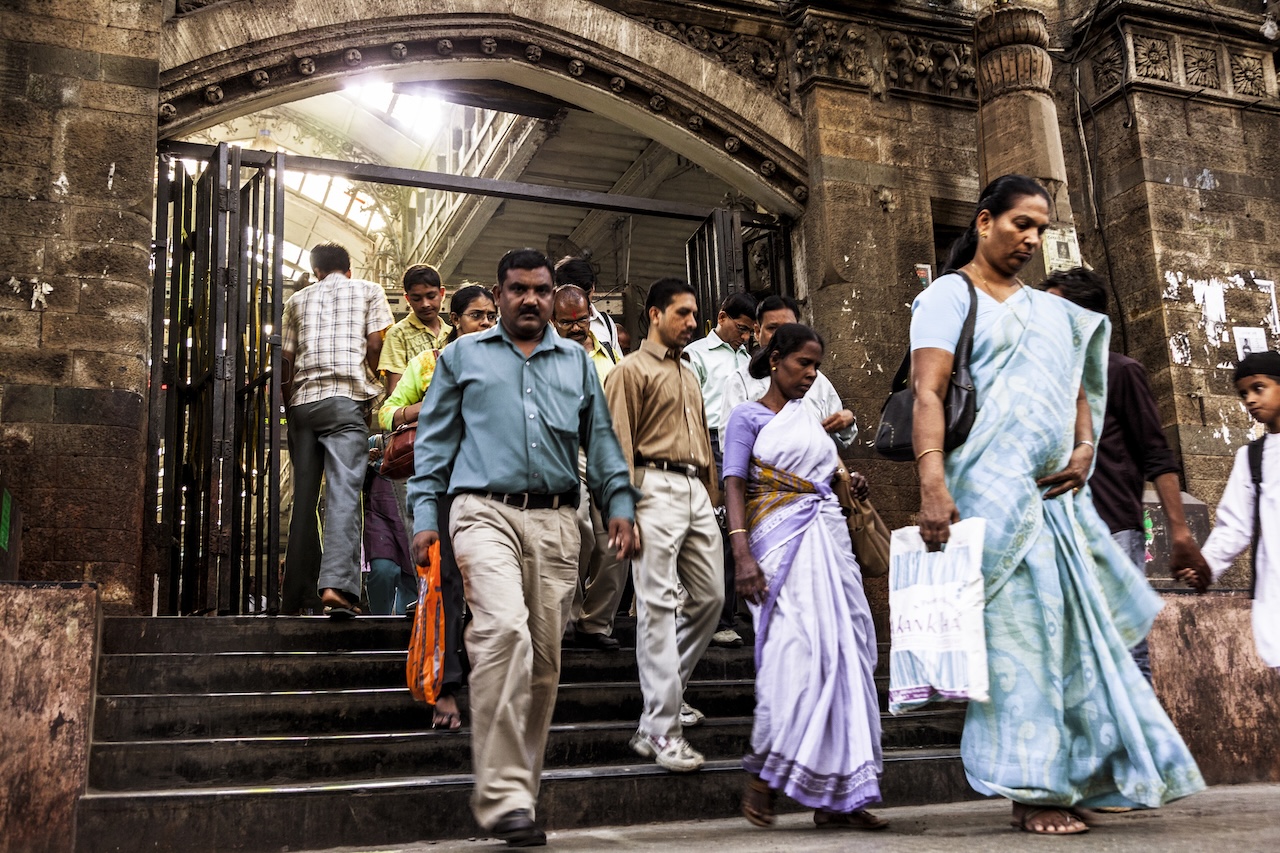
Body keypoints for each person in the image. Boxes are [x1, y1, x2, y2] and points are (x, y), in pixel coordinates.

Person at [911, 175, 1204, 835]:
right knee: (1021, 644)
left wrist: (1081, 446)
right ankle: (1032, 787)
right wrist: (933, 484)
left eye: (1040, 228)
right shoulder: (946, 297)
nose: (1032, 240)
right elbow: (928, 393)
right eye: (1021, 224)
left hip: (1057, 503)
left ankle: (1085, 775)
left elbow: (1075, 386)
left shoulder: (1049, 311)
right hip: (990, 494)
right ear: (984, 222)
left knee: (1076, 639)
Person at [407, 248, 638, 847]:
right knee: (502, 631)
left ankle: (520, 799)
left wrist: (618, 502)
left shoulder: (579, 363)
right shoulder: (459, 358)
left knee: (542, 664)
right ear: (501, 294)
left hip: (558, 521)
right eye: (517, 290)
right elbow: (433, 444)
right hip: (481, 511)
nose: (530, 299)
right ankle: (504, 794)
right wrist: (424, 517)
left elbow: (604, 442)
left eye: (540, 289)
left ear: (552, 293)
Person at [723, 323, 887, 832]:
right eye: (803, 364)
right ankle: (766, 779)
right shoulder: (746, 417)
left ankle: (840, 799)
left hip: (829, 542)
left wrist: (846, 478)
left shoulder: (812, 420)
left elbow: (825, 477)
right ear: (775, 360)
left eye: (816, 366)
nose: (811, 375)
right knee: (795, 657)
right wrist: (741, 554)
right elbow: (732, 485)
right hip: (777, 550)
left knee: (848, 653)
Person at [1043, 267, 1211, 680]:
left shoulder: (1120, 371)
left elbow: (1157, 455)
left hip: (1113, 530)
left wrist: (1181, 534)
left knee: (1125, 656)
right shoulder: (1045, 380)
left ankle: (1141, 745)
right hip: (1057, 531)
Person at [604, 277, 724, 772]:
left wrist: (711, 495)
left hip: (694, 488)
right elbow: (615, 443)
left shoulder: (690, 372)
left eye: (694, 315)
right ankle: (660, 728)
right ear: (654, 314)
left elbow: (701, 434)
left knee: (711, 597)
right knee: (654, 605)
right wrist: (622, 509)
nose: (691, 323)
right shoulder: (628, 371)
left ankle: (668, 697)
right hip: (650, 484)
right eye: (683, 313)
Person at [381, 284, 497, 730]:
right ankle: (445, 685)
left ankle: (489, 681)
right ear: (456, 320)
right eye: (476, 316)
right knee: (446, 585)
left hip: (495, 490)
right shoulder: (430, 363)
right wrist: (421, 409)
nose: (485, 324)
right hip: (447, 485)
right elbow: (387, 413)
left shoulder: (509, 361)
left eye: (491, 316)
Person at [280, 243, 393, 616]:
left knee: (304, 501)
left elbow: (286, 359)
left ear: (315, 272)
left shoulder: (296, 301)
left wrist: (289, 406)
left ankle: (297, 595)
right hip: (345, 400)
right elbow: (377, 341)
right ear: (348, 269)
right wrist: (371, 382)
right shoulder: (369, 290)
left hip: (302, 406)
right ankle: (337, 589)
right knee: (344, 493)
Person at [553, 285, 627, 650]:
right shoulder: (544, 354)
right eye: (567, 322)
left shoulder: (608, 349)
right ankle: (567, 617)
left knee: (615, 543)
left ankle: (596, 623)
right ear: (553, 322)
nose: (576, 327)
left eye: (581, 319)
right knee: (577, 531)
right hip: (566, 450)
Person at [684, 292, 756, 648]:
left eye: (750, 333)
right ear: (723, 317)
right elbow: (688, 405)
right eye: (741, 329)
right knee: (714, 527)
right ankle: (710, 618)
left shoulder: (749, 360)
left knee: (741, 526)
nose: (744, 338)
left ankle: (734, 613)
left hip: (746, 442)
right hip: (709, 441)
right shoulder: (696, 354)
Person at [1200, 351, 1280, 671]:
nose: (1250, 399)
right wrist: (1202, 569)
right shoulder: (1252, 457)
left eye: (1258, 388)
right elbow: (1234, 527)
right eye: (1243, 393)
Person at [719, 295, 857, 453]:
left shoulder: (817, 380)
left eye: (789, 328)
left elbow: (840, 438)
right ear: (757, 331)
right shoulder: (740, 381)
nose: (782, 335)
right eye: (773, 328)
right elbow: (731, 446)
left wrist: (847, 422)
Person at [380, 263, 451, 395]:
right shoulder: (397, 334)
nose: (425, 304)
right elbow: (395, 392)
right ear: (407, 299)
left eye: (431, 296)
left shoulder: (453, 334)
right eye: (417, 298)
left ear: (442, 293)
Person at [555, 255, 621, 359]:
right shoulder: (544, 330)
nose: (576, 328)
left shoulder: (606, 323)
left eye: (585, 294)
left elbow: (617, 366)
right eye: (566, 322)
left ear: (593, 287)